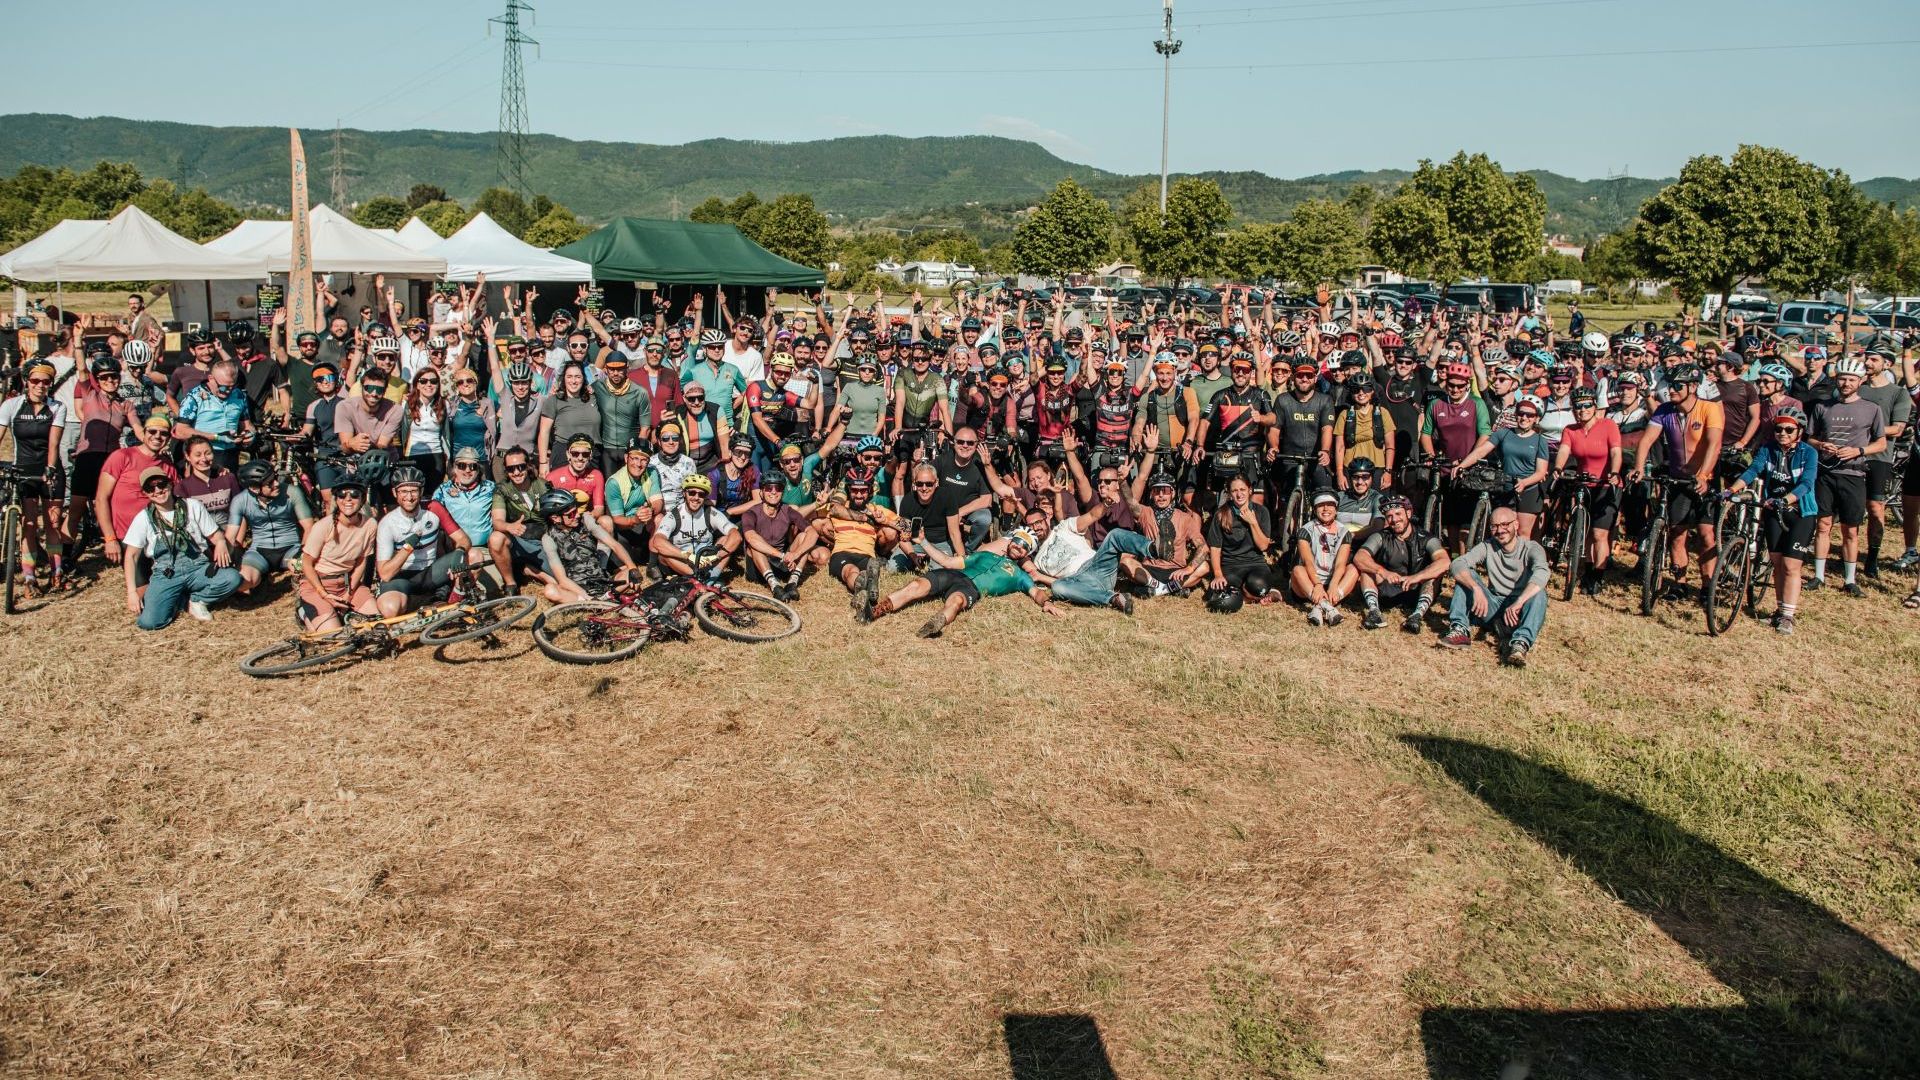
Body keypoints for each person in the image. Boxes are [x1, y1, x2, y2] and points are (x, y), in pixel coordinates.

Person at [860, 526, 1063, 639]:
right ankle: (875, 611)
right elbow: (947, 561)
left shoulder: (1020, 575)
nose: (1018, 547)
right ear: (1010, 541)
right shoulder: (986, 555)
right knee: (916, 586)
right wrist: (922, 542)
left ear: (1028, 552)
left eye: (1024, 546)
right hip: (954, 574)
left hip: (971, 588)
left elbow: (1036, 592)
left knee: (956, 601)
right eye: (1017, 541)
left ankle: (935, 624)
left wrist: (1046, 603)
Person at [1630, 364, 1723, 601]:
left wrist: (1703, 475)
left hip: (1704, 479)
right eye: (1670, 385)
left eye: (1678, 386)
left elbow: (1714, 445)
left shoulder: (1709, 409)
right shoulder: (1664, 410)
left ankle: (1707, 587)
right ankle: (1679, 585)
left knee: (1706, 535)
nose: (1672, 390)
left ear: (1692, 387)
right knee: (1677, 533)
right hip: (1678, 479)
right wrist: (1638, 467)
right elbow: (1646, 440)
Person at [1729, 406, 1819, 634]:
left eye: (1789, 430)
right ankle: (1780, 611)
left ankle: (1788, 616)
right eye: (1778, 429)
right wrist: (1731, 490)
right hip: (1773, 511)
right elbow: (1753, 470)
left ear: (1799, 431)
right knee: (1777, 564)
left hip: (1801, 513)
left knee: (1791, 565)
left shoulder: (1809, 453)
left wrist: (1786, 500)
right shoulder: (1768, 449)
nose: (1782, 434)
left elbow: (1807, 483)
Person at [119, 466, 242, 629]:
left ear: (170, 484)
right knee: (149, 622)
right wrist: (131, 592)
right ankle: (178, 599)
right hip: (166, 574)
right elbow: (131, 556)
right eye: (150, 488)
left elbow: (215, 535)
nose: (158, 490)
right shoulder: (143, 518)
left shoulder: (192, 506)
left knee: (232, 578)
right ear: (145, 493)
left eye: (161, 484)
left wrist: (220, 543)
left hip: (198, 567)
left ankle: (197, 600)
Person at [1804, 356, 1885, 596]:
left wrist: (1859, 451)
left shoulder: (1872, 409)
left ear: (1860, 381)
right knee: (1823, 524)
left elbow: (1881, 443)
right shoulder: (1822, 406)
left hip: (1853, 474)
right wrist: (1821, 445)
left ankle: (1850, 580)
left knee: (1850, 529)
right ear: (1836, 379)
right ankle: (1818, 576)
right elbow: (1809, 438)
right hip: (1826, 472)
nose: (1846, 383)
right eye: (1842, 379)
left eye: (1851, 379)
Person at [1440, 506, 1549, 667]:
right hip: (1493, 606)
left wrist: (1519, 602)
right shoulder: (1487, 546)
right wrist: (1476, 588)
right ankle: (1460, 630)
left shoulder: (1532, 548)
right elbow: (1457, 564)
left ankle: (1520, 644)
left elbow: (1542, 573)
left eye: (1505, 524)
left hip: (1519, 610)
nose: (1500, 530)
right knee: (1466, 575)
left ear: (1516, 525)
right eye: (1494, 526)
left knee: (1539, 593)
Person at [0, 361, 69, 590]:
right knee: (28, 524)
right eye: (35, 380)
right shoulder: (11, 405)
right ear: (26, 381)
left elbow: (53, 443)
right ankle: (29, 576)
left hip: (49, 470)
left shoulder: (57, 407)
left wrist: (50, 469)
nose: (40, 385)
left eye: (46, 381)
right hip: (23, 470)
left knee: (53, 524)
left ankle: (57, 572)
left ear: (51, 384)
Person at [1022, 498, 1151, 615]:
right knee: (1057, 588)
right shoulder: (1038, 560)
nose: (1035, 527)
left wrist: (1106, 503)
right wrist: (1040, 576)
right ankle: (1114, 599)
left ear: (1047, 519)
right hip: (1079, 582)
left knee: (1114, 535)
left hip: (1097, 565)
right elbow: (1056, 582)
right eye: (1030, 525)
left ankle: (1152, 548)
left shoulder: (1064, 526)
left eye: (1038, 522)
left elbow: (1091, 515)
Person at [1551, 387, 1623, 594]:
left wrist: (1615, 472)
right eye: (1578, 406)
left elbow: (1615, 452)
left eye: (1587, 405)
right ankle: (1588, 570)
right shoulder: (1570, 430)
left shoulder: (1608, 425)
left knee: (1600, 533)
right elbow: (1564, 450)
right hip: (1584, 483)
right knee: (1587, 532)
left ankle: (1597, 576)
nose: (1582, 410)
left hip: (1606, 484)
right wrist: (1558, 467)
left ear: (1594, 406)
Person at [1352, 493, 1451, 633]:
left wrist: (1417, 577)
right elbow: (1360, 557)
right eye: (1389, 516)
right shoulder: (1380, 536)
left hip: (1416, 590)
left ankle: (1417, 616)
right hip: (1388, 589)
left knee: (1434, 574)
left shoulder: (1426, 537)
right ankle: (1374, 612)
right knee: (1367, 571)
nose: (1394, 520)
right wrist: (1383, 572)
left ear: (1408, 513)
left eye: (1398, 514)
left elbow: (1445, 561)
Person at [295, 480, 381, 632]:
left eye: (354, 494)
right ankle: (305, 611)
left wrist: (349, 593)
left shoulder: (370, 524)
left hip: (347, 583)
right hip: (318, 585)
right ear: (336, 499)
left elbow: (362, 561)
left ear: (362, 499)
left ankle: (338, 612)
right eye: (342, 495)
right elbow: (307, 563)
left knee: (377, 625)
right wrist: (323, 594)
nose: (348, 499)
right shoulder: (323, 526)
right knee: (333, 635)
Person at [537, 488, 641, 604]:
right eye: (571, 514)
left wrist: (632, 569)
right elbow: (562, 580)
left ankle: (603, 598)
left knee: (629, 570)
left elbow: (614, 545)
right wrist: (587, 596)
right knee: (550, 590)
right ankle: (596, 601)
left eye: (576, 510)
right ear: (555, 518)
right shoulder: (548, 539)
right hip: (577, 589)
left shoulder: (586, 520)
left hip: (602, 581)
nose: (577, 515)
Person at [227, 459, 314, 596]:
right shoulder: (240, 501)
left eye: (275, 478)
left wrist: (301, 555)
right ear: (254, 488)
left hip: (291, 548)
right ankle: (260, 580)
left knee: (304, 570)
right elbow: (230, 537)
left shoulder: (292, 492)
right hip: (259, 551)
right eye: (269, 483)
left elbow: (309, 527)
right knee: (242, 583)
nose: (276, 483)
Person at [738, 473, 822, 601]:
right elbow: (750, 538)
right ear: (761, 492)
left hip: (782, 565)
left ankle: (792, 583)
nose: (773, 492)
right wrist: (781, 555)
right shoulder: (750, 513)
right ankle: (774, 585)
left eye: (778, 488)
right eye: (768, 488)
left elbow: (813, 533)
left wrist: (795, 554)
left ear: (783, 491)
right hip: (758, 568)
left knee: (804, 536)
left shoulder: (787, 510)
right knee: (754, 544)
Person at [1203, 473, 1277, 608]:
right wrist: (1218, 574)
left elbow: (1263, 546)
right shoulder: (1221, 513)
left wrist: (1253, 522)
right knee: (1221, 600)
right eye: (1234, 491)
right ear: (1229, 493)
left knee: (1257, 585)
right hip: (1230, 565)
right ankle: (1253, 596)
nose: (1239, 494)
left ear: (1250, 490)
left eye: (1242, 489)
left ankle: (1252, 593)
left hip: (1255, 564)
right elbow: (1215, 548)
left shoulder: (1262, 511)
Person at [649, 473, 741, 577]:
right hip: (682, 561)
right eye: (692, 493)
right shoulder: (674, 515)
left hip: (705, 560)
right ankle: (697, 577)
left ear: (705, 497)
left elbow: (736, 536)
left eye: (701, 494)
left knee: (726, 539)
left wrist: (716, 557)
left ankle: (712, 576)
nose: (696, 498)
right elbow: (657, 541)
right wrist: (688, 556)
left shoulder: (711, 513)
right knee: (663, 554)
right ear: (684, 493)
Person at [1289, 491, 1357, 625]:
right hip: (1309, 584)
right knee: (1297, 570)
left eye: (1330, 505)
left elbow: (1341, 564)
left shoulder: (1344, 532)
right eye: (1321, 505)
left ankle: (1320, 606)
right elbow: (1308, 561)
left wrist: (1333, 585)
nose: (1325, 509)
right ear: (1315, 510)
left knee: (1353, 569)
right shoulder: (1305, 530)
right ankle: (1327, 606)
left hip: (1333, 585)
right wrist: (1318, 584)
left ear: (1336, 509)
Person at [174, 356, 252, 471]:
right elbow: (181, 431)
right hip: (205, 455)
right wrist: (216, 437)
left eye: (232, 386)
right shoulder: (194, 397)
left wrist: (249, 434)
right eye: (223, 387)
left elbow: (247, 425)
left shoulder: (239, 395)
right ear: (211, 378)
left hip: (231, 454)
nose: (228, 391)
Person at [489, 446, 551, 587]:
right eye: (511, 469)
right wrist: (509, 526)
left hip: (543, 539)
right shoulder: (502, 489)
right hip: (518, 541)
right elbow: (497, 521)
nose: (516, 472)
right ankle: (511, 584)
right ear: (506, 470)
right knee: (496, 538)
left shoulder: (543, 485)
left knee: (559, 578)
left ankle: (528, 570)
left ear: (528, 466)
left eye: (521, 467)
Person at [591, 354, 652, 476]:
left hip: (629, 450)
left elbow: (645, 428)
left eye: (619, 369)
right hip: (606, 450)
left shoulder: (640, 392)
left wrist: (635, 453)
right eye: (612, 369)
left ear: (627, 368)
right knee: (609, 485)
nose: (615, 373)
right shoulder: (597, 387)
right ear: (606, 369)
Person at [537, 362, 599, 475]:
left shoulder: (593, 398)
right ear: (563, 379)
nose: (573, 381)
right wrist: (543, 462)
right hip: (563, 453)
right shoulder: (554, 400)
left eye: (578, 377)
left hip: (592, 454)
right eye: (569, 376)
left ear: (583, 379)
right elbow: (544, 432)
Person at [175, 436, 242, 530]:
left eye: (208, 453)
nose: (204, 459)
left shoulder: (228, 478)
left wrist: (236, 538)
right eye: (198, 455)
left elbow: (240, 512)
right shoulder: (182, 487)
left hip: (231, 534)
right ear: (187, 456)